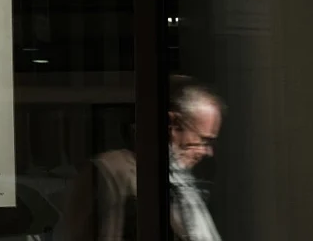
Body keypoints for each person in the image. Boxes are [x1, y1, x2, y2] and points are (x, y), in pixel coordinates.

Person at [61, 75, 223, 241]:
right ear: (172, 125)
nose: (207, 151)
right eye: (203, 140)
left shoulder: (180, 185)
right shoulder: (109, 174)